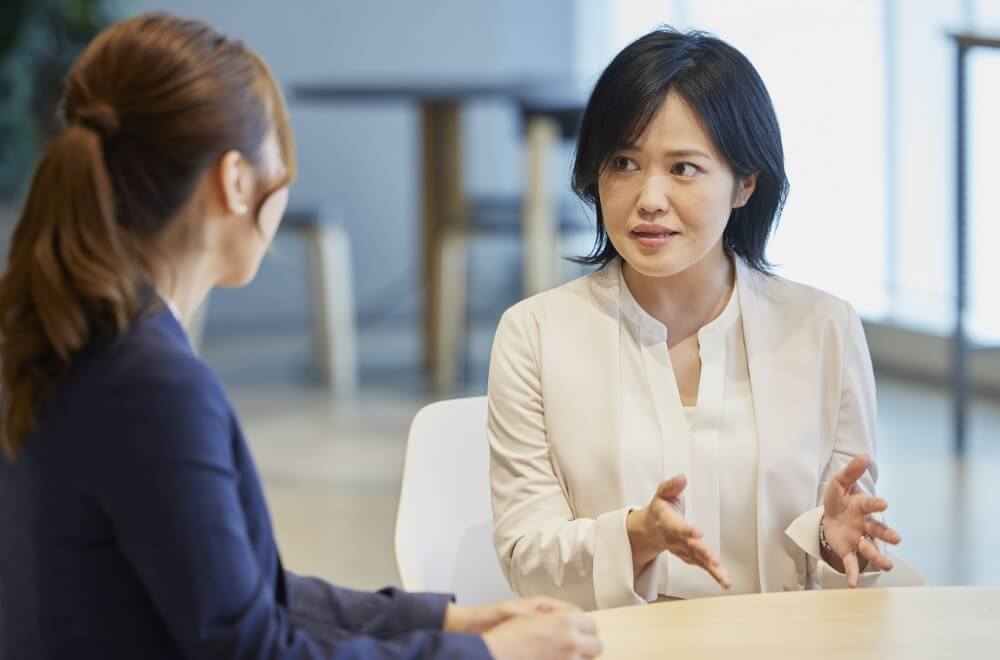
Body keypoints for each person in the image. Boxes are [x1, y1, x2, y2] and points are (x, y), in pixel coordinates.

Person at [0, 13, 602, 659]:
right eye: (281, 157)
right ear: (235, 181)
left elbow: (233, 588)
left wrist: (452, 623)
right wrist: (495, 655)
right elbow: (256, 648)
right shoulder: (151, 385)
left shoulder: (64, 336)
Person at [487, 27, 903, 611]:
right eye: (624, 163)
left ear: (745, 184)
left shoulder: (823, 328)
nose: (649, 197)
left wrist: (836, 545)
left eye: (683, 168)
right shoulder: (534, 334)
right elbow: (527, 559)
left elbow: (845, 561)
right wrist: (635, 535)